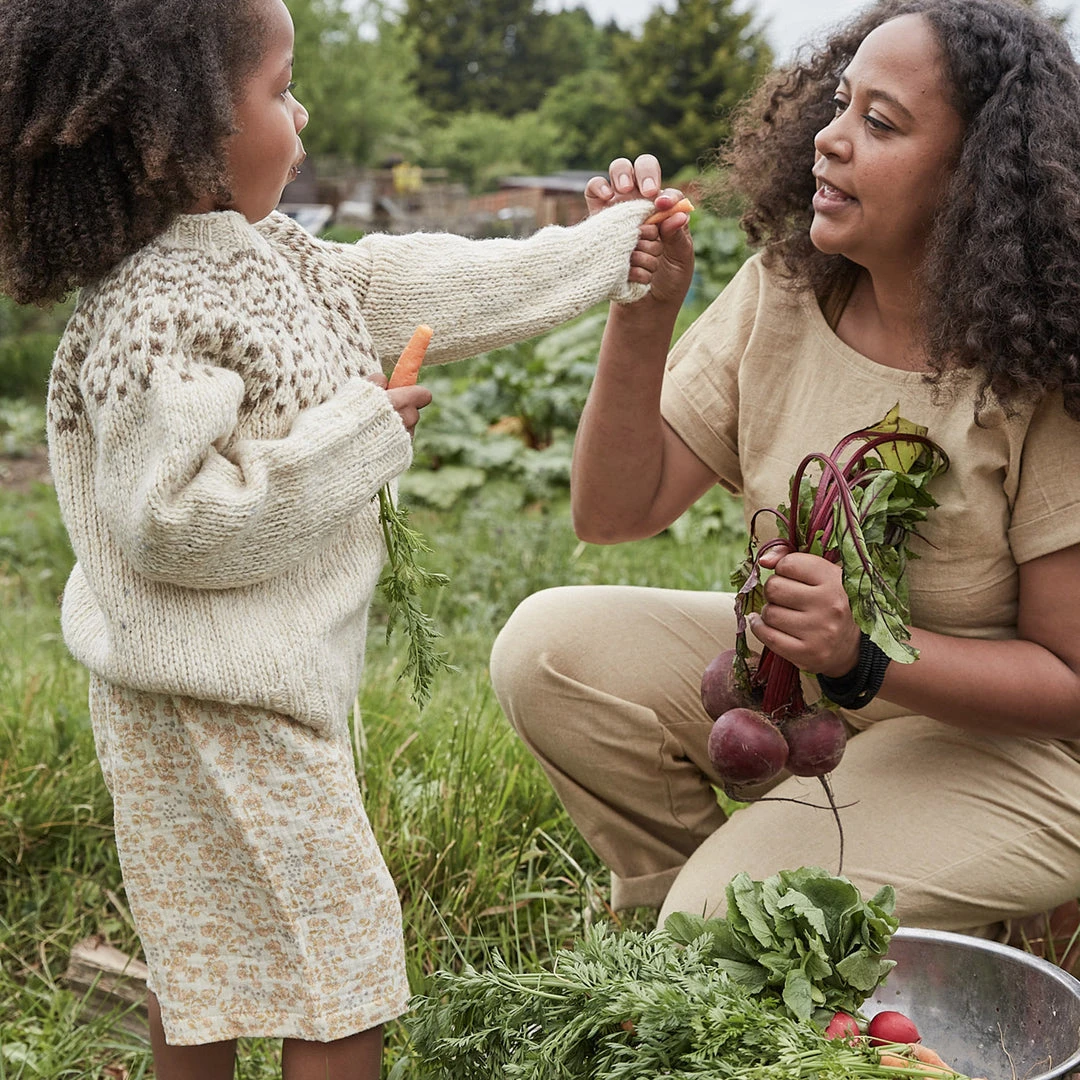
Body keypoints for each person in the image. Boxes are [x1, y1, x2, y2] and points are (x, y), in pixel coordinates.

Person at [0, 1, 685, 1076]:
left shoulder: (271, 259)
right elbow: (170, 525)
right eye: (280, 89)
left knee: (209, 965)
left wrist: (603, 250)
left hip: (218, 692)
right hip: (216, 701)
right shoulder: (157, 306)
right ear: (181, 135)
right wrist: (351, 440)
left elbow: (432, 282)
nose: (304, 108)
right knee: (342, 976)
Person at [491, 0, 1080, 949]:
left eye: (878, 124)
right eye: (838, 105)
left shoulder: (1039, 369)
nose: (829, 140)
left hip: (1015, 756)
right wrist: (643, 313)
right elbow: (613, 510)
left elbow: (1070, 681)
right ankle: (703, 944)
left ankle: (752, 930)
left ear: (975, 180)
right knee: (550, 649)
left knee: (728, 916)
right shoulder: (789, 287)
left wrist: (866, 659)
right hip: (820, 698)